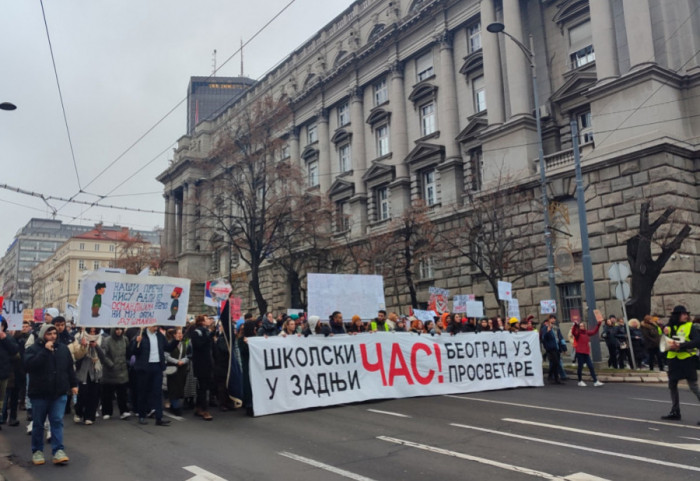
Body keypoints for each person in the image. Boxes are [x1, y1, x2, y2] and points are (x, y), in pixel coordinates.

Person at [24, 323, 78, 465]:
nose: (52, 336)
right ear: (43, 335)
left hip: (59, 393)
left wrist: (73, 384)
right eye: (49, 334)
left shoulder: (63, 349)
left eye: (54, 333)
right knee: (38, 424)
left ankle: (58, 451)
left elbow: (69, 368)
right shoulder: (33, 349)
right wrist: (45, 352)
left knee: (57, 421)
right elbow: (29, 366)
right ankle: (37, 451)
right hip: (39, 394)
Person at [132, 325, 178, 426]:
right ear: (148, 325)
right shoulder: (141, 335)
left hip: (157, 366)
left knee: (157, 393)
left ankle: (159, 417)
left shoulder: (160, 336)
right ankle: (142, 416)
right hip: (144, 367)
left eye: (157, 325)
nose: (155, 327)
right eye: (154, 325)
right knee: (143, 392)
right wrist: (136, 342)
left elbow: (168, 348)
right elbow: (133, 352)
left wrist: (176, 340)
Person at [660, 305, 700, 422]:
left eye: (686, 314)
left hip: (687, 359)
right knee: (672, 385)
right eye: (683, 314)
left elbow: (697, 341)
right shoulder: (670, 326)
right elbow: (665, 339)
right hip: (673, 359)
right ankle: (675, 411)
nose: (686, 316)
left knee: (693, 386)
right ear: (677, 315)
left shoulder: (690, 326)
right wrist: (665, 332)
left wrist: (681, 345)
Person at [69, 328, 106, 425]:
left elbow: (103, 356)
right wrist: (83, 346)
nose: (92, 333)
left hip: (96, 370)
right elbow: (77, 356)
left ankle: (89, 416)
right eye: (91, 331)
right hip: (84, 370)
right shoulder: (80, 338)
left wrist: (96, 346)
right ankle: (79, 412)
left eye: (94, 331)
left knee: (94, 395)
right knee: (83, 394)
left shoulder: (102, 339)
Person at [101, 328, 131, 420]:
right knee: (107, 393)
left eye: (120, 329)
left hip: (122, 370)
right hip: (110, 371)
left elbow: (128, 352)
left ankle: (124, 411)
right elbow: (103, 355)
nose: (119, 331)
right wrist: (111, 364)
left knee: (122, 393)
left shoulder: (125, 339)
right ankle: (107, 411)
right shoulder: (107, 340)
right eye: (117, 329)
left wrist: (128, 362)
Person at [190, 315, 215, 421]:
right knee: (202, 387)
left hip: (208, 362)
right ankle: (204, 410)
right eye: (206, 319)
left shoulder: (207, 331)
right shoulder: (197, 332)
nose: (209, 320)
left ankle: (199, 407)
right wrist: (208, 337)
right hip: (200, 364)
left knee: (204, 387)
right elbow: (198, 345)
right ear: (202, 322)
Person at [572, 318, 604, 387]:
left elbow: (594, 331)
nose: (582, 327)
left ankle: (595, 381)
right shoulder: (578, 333)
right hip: (580, 352)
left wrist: (598, 324)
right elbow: (573, 332)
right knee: (580, 367)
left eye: (583, 326)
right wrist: (575, 325)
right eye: (580, 326)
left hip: (586, 353)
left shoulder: (586, 332)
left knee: (591, 367)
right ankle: (580, 381)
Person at [164, 327, 189, 416]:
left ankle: (174, 404)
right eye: (178, 333)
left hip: (182, 368)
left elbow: (188, 355)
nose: (180, 335)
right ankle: (175, 406)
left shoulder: (184, 344)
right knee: (173, 388)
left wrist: (184, 361)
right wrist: (176, 361)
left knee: (180, 387)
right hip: (173, 368)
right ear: (174, 335)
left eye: (181, 333)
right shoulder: (169, 344)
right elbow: (166, 356)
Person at [0, 318, 19, 429]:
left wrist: (4, 339)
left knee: (1, 399)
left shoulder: (8, 338)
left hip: (3, 373)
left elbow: (15, 351)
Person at [540, 317, 563, 384]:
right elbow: (544, 337)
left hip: (556, 347)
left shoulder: (555, 328)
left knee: (556, 363)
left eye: (554, 319)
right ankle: (550, 375)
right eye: (552, 319)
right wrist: (548, 331)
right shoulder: (545, 328)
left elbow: (558, 337)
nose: (553, 320)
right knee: (555, 362)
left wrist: (561, 346)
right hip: (550, 348)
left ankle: (556, 379)